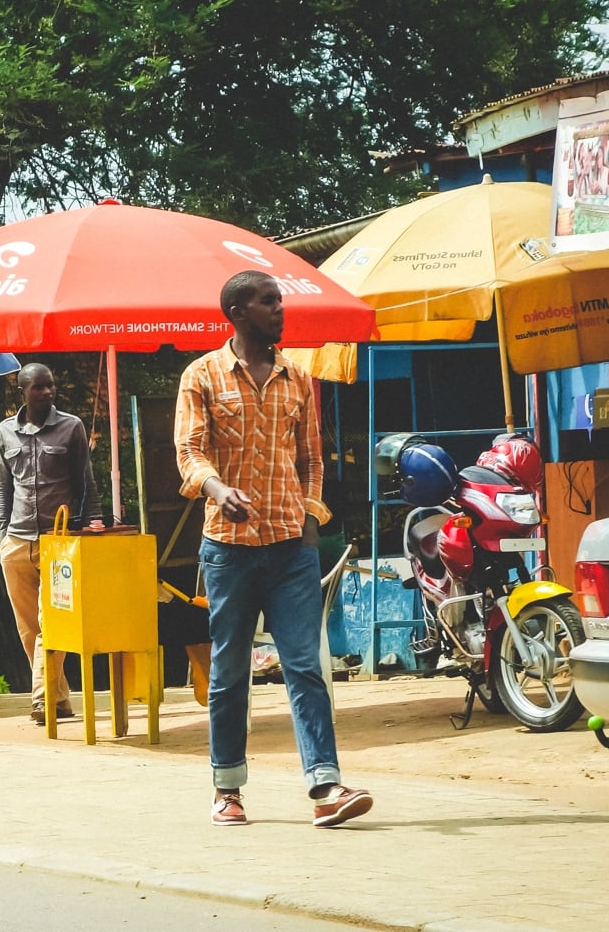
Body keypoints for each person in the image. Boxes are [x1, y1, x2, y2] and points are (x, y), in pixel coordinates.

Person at [175, 270, 371, 829]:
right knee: (230, 671)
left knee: (306, 666)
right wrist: (216, 489)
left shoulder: (297, 379)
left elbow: (313, 460)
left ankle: (326, 787)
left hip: (291, 550)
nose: (280, 309)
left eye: (279, 300)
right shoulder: (202, 376)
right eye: (267, 302)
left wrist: (310, 516)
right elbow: (189, 454)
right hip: (228, 550)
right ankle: (227, 788)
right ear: (237, 312)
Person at [0, 362, 101, 725]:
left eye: (51, 386)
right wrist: (0, 535)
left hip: (59, 541)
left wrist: (90, 525)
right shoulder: (5, 431)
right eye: (39, 387)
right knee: (29, 629)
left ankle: (41, 700)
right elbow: (3, 487)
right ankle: (59, 697)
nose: (47, 392)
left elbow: (86, 483)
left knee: (51, 621)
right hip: (16, 541)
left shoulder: (71, 426)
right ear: (22, 391)